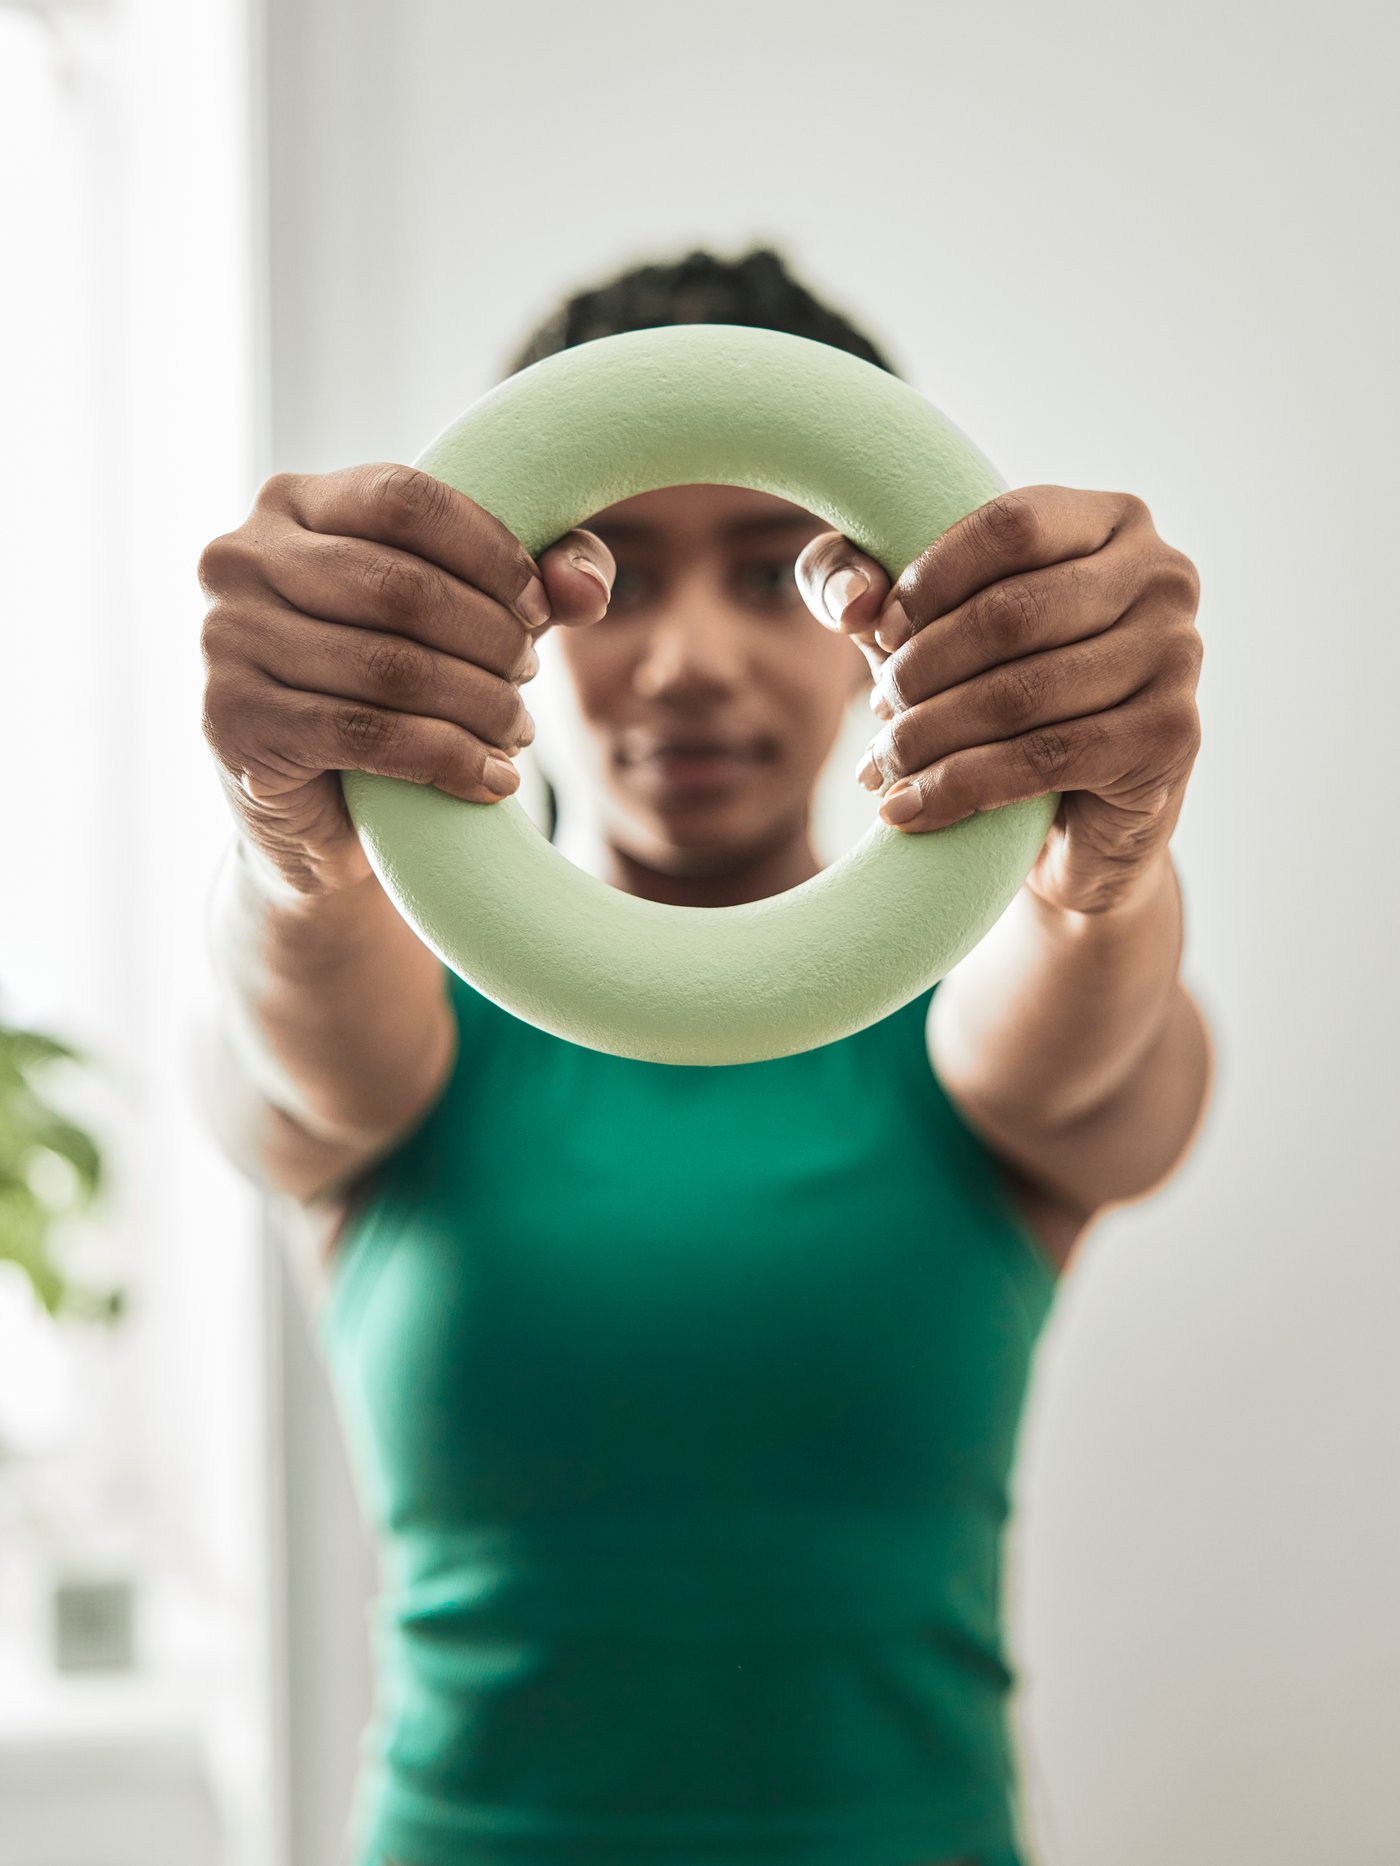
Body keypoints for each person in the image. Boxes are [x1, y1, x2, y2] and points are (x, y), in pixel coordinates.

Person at [196, 246, 1214, 1866]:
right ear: (517, 615)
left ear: (882, 613)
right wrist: (292, 840)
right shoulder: (392, 1007)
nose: (686, 661)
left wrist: (1105, 854)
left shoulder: (975, 1014)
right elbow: (298, 1030)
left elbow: (1088, 1032)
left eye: (769, 574)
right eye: (613, 579)